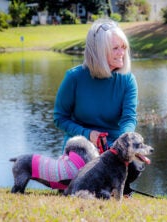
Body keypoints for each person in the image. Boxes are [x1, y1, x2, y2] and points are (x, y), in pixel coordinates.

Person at [53, 18, 139, 197]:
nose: (122, 52)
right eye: (115, 48)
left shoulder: (128, 81)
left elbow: (129, 118)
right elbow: (59, 118)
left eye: (123, 47)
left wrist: (123, 144)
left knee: (135, 166)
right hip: (80, 148)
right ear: (99, 51)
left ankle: (116, 188)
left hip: (114, 149)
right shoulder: (74, 78)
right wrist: (88, 134)